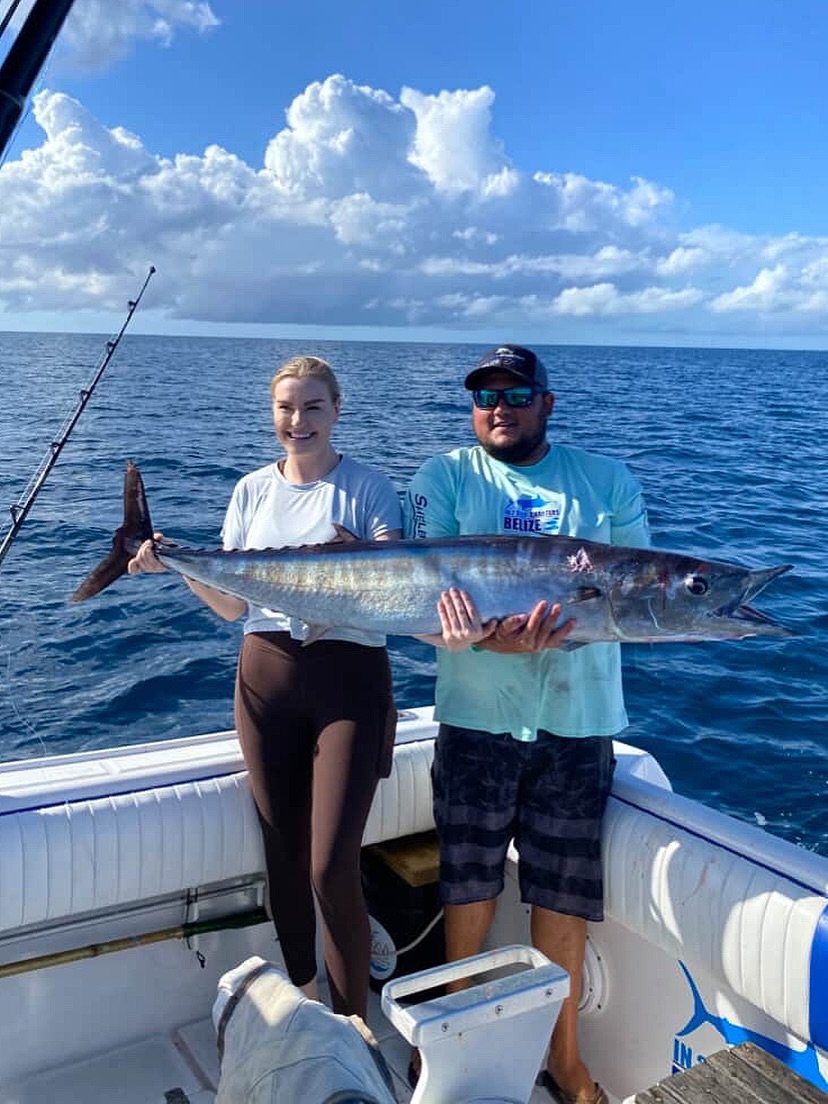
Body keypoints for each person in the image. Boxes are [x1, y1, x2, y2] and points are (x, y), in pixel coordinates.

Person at [404, 344, 650, 1104]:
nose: (499, 407)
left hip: (577, 722)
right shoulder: (444, 477)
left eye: (516, 394)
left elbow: (636, 598)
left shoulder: (607, 480)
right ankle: (449, 1047)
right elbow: (412, 597)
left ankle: (565, 1058)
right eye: (485, 396)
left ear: (548, 402)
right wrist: (484, 637)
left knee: (563, 899)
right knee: (467, 891)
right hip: (477, 718)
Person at [129, 355, 402, 1020]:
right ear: (272, 414)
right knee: (282, 856)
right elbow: (231, 606)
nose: (298, 420)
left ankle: (353, 1030)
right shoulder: (251, 490)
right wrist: (173, 562)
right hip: (265, 679)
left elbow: (395, 579)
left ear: (337, 411)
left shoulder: (369, 489)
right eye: (286, 408)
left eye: (312, 407)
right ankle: (306, 1006)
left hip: (349, 679)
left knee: (329, 866)